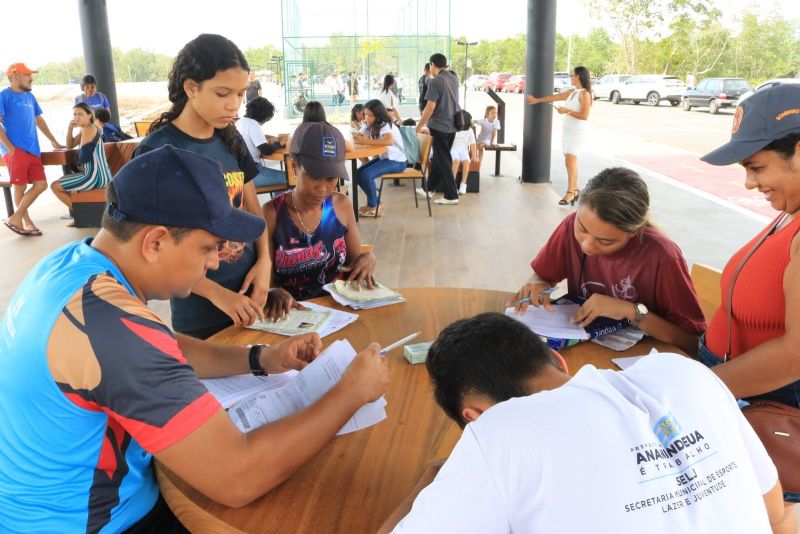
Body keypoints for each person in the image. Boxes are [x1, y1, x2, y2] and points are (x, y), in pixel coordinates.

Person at [0, 145, 390, 533]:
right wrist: (351, 392)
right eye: (207, 247)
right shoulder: (110, 329)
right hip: (97, 522)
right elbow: (238, 478)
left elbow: (163, 345)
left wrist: (260, 359)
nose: (215, 263)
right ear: (154, 243)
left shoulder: (72, 265)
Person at [379, 313, 794, 533]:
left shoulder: (499, 432)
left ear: (474, 417)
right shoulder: (686, 373)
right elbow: (775, 516)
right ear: (558, 360)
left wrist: (425, 487)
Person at [134, 34, 270, 340]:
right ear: (191, 87)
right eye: (223, 94)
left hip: (250, 293)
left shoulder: (231, 139)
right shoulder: (159, 150)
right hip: (199, 311)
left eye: (239, 95)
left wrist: (265, 262)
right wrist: (217, 294)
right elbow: (154, 245)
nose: (234, 106)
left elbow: (252, 209)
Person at [508, 167, 705, 356]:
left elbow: (692, 342)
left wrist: (630, 311)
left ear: (634, 233)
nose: (586, 246)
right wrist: (539, 283)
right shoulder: (569, 227)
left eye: (605, 241)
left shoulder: (663, 257)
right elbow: (544, 276)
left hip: (639, 362)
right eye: (582, 228)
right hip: (583, 352)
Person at [698, 83, 800, 411]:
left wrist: (694, 388)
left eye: (756, 167)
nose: (749, 183)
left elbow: (795, 356)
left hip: (759, 403)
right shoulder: (789, 210)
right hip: (729, 384)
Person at [262, 121, 376, 321]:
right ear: (293, 166)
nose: (323, 188)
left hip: (340, 312)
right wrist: (272, 291)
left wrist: (368, 259)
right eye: (314, 176)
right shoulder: (272, 214)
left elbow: (355, 261)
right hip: (291, 316)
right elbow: (265, 277)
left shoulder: (341, 205)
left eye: (331, 178)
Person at [0, 62, 64, 237]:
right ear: (15, 77)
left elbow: (39, 120)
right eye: (28, 75)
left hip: (33, 149)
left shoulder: (30, 97)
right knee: (19, 187)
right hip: (16, 149)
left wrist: (53, 141)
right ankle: (25, 222)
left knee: (41, 185)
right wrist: (9, 147)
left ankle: (16, 218)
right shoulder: (4, 96)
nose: (31, 78)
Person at [527, 65, 593, 205]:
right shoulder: (572, 92)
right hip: (567, 131)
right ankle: (574, 190)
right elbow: (555, 97)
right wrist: (537, 100)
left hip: (577, 132)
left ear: (578, 77)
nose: (570, 77)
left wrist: (566, 111)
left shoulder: (585, 94)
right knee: (569, 161)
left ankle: (570, 192)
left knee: (570, 161)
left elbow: (584, 115)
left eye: (572, 75)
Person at [50, 103, 113, 218]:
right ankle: (81, 215)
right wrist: (70, 129)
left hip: (94, 177)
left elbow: (83, 156)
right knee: (65, 181)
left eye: (80, 114)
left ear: (89, 115)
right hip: (103, 175)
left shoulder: (89, 129)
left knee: (55, 186)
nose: (76, 117)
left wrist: (79, 164)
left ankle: (81, 216)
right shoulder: (88, 128)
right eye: (74, 115)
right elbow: (70, 145)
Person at [416, 53, 460, 206]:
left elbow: (430, 107)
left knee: (444, 160)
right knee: (439, 159)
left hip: (439, 126)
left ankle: (451, 195)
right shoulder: (454, 79)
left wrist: (420, 125)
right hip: (452, 126)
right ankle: (428, 189)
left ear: (433, 65)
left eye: (431, 66)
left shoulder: (436, 82)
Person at [353, 99, 407, 217]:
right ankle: (376, 204)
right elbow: (359, 135)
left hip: (397, 161)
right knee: (357, 174)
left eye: (370, 115)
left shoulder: (385, 124)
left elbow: (389, 140)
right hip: (385, 158)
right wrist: (357, 136)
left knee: (367, 175)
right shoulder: (370, 124)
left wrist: (364, 140)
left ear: (378, 115)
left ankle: (373, 205)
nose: (367, 117)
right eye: (365, 114)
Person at [236, 97, 288, 188]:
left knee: (283, 177)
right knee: (287, 178)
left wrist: (264, 137)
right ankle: (278, 202)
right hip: (252, 173)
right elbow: (266, 150)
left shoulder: (240, 121)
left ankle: (276, 201)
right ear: (263, 115)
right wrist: (281, 142)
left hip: (241, 171)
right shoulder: (253, 125)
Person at [450, 117, 478, 195]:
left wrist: (474, 155)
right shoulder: (452, 127)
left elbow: (473, 143)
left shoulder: (469, 129)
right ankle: (452, 185)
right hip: (453, 149)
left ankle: (463, 184)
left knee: (466, 161)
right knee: (456, 160)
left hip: (463, 150)